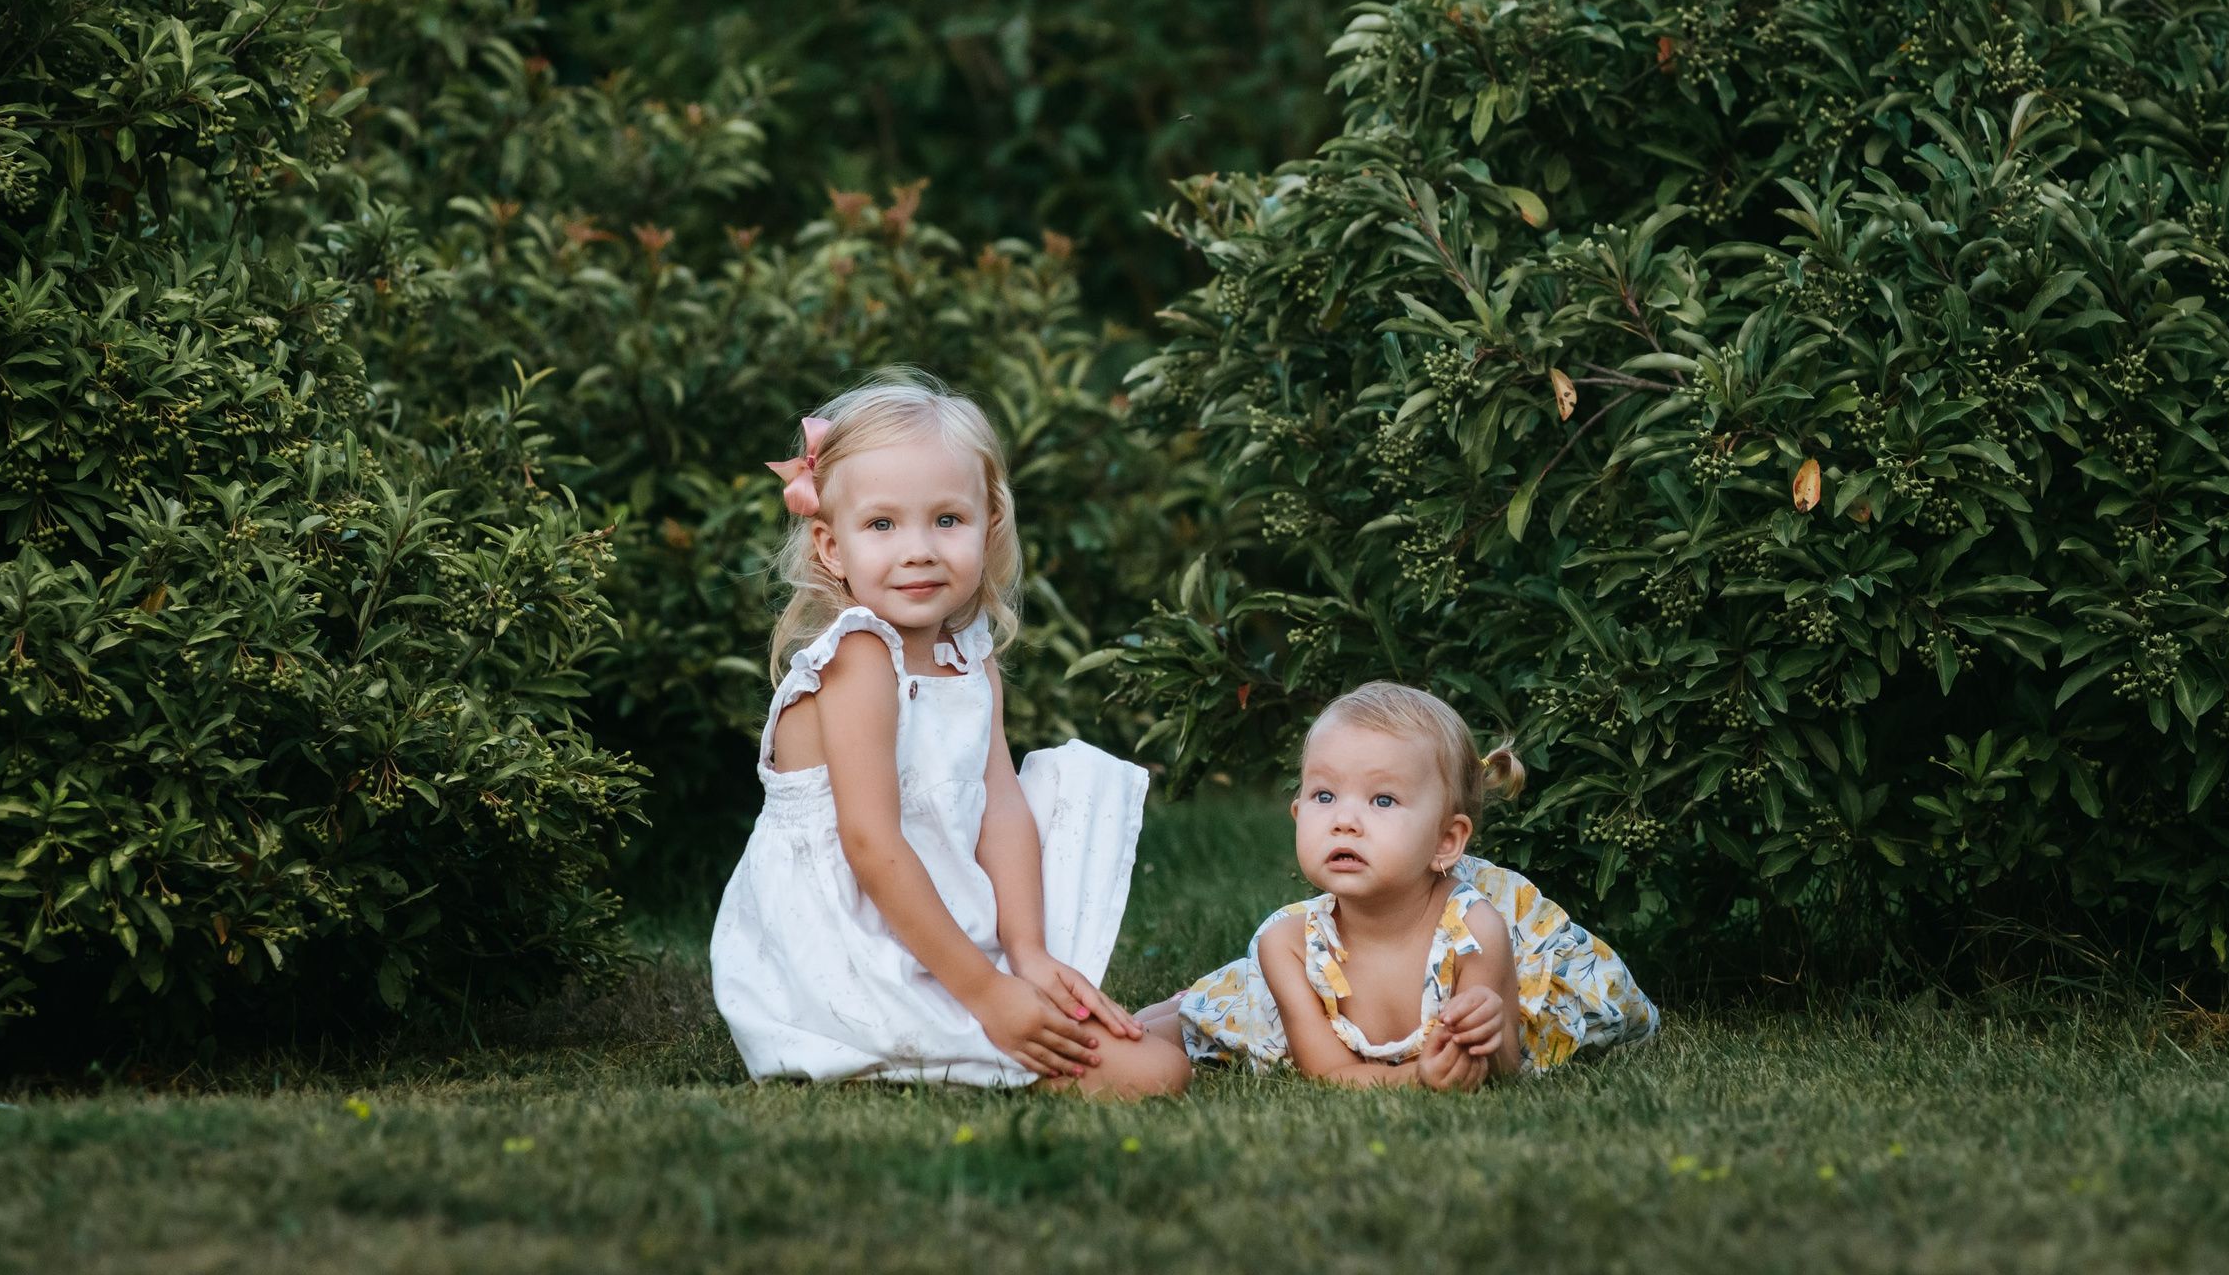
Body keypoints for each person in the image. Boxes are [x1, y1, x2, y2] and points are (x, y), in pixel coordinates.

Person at [709, 371, 1190, 1096]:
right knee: (1158, 1073)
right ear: (831, 547)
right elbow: (871, 849)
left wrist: (1026, 953)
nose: (919, 549)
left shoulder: (971, 657)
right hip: (854, 960)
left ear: (987, 525)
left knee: (1164, 1037)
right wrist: (990, 995)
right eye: (881, 525)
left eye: (946, 520)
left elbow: (1000, 807)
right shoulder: (860, 658)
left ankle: (1141, 1017)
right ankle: (1000, 1030)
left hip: (938, 929)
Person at [1142, 683, 1657, 1086]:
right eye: (1324, 796)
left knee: (1186, 1024)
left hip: (1485, 945)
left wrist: (1482, 1033)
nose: (1344, 820)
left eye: (1382, 800)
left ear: (1446, 841)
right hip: (1290, 1000)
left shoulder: (1476, 931)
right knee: (1186, 1021)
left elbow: (1504, 1067)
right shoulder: (1288, 944)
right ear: (1297, 813)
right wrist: (1417, 1078)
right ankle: (1149, 1011)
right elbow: (1326, 1070)